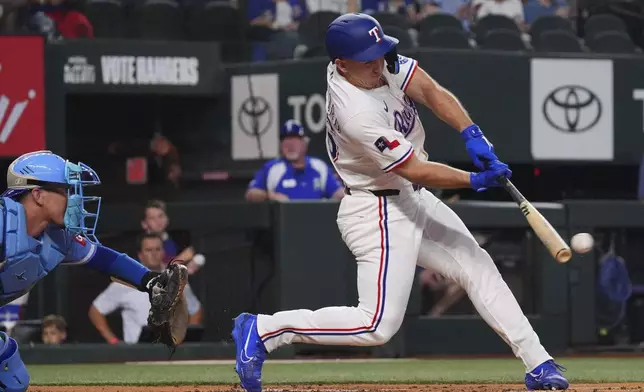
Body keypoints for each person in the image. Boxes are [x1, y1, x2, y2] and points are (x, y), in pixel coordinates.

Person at [232, 13, 569, 392]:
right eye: (368, 60)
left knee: (477, 265)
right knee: (376, 326)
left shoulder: (375, 61)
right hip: (377, 209)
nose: (379, 65)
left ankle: (539, 363)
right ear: (341, 65)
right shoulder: (355, 111)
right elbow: (415, 169)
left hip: (410, 198)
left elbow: (429, 90)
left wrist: (470, 131)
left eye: (380, 54)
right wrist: (473, 180)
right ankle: (263, 330)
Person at [0, 150, 188, 392]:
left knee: (14, 380)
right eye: (64, 190)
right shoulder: (4, 224)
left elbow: (104, 258)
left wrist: (149, 281)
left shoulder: (57, 239)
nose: (72, 199)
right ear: (38, 194)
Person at [89, 233, 202, 344]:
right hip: (137, 354)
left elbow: (195, 310)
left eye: (157, 249)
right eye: (149, 250)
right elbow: (96, 311)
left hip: (170, 353)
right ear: (140, 254)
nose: (154, 254)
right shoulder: (125, 282)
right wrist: (113, 341)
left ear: (163, 252)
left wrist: (185, 341)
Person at [245, 120, 345, 202]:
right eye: (286, 141)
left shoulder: (319, 167)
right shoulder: (272, 168)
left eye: (295, 140)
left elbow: (337, 192)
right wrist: (270, 196)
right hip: (284, 223)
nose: (290, 145)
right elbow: (251, 194)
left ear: (305, 144)